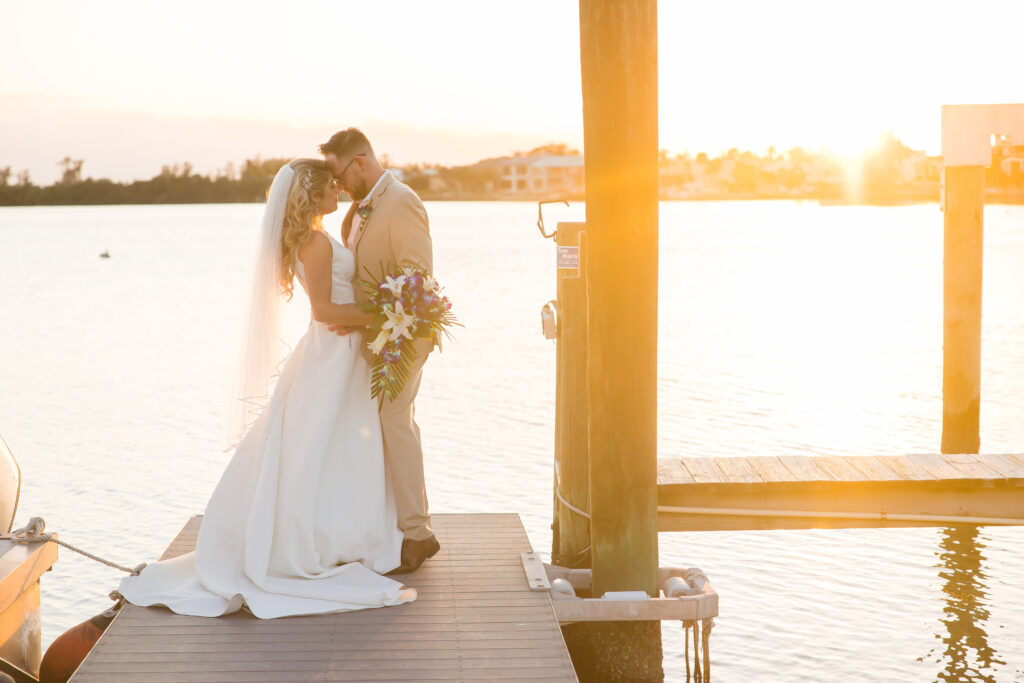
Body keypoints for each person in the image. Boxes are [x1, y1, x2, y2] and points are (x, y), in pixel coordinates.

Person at [117, 159, 415, 618]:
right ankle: (318, 541)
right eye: (330, 186)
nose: (338, 189)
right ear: (313, 195)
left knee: (335, 449)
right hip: (330, 356)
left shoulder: (315, 236)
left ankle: (348, 533)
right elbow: (323, 311)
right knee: (318, 449)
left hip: (343, 354)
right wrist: (386, 318)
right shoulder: (314, 243)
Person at [320, 128, 439, 574]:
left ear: (361, 163)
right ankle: (385, 525)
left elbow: (417, 277)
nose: (337, 185)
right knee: (372, 426)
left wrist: (376, 320)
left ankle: (418, 534)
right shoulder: (356, 212)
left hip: (403, 336)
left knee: (394, 421)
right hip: (371, 339)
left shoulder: (402, 201)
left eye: (339, 174)